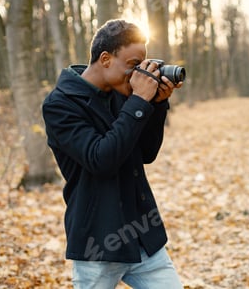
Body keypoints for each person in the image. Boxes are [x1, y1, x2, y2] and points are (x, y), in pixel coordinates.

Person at [42, 19, 184, 288]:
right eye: (132, 65)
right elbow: (100, 159)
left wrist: (157, 103)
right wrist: (140, 102)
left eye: (141, 65)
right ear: (105, 59)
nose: (137, 74)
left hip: (142, 234)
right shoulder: (60, 104)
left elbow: (146, 152)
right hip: (99, 242)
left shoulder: (122, 93)